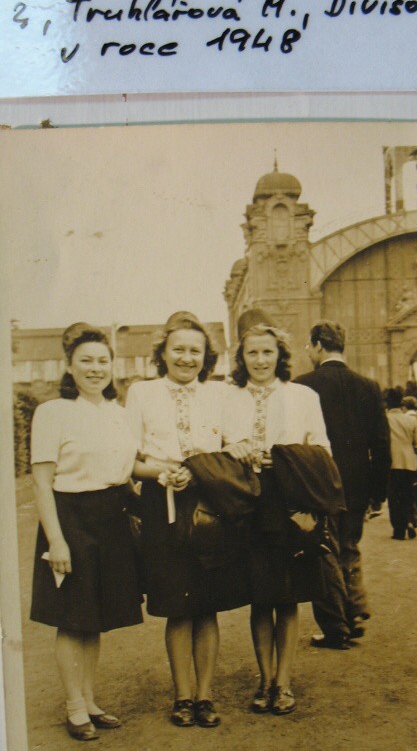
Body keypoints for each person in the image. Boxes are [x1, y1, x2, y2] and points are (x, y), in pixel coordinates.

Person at [125, 312, 249, 730]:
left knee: (207, 605)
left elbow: (236, 449)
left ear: (205, 356)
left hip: (209, 504)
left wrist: (200, 470)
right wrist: (164, 471)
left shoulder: (220, 394)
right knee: (178, 607)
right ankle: (182, 696)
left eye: (195, 350)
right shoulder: (141, 393)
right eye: (178, 349)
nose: (186, 357)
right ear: (162, 352)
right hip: (161, 503)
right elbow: (130, 459)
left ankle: (205, 696)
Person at [222, 309, 342, 715]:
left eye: (267, 352)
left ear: (280, 354)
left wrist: (286, 458)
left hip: (288, 502)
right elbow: (216, 443)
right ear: (242, 357)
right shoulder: (228, 398)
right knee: (260, 597)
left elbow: (322, 451)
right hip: (247, 502)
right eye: (252, 353)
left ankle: (284, 682)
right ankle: (265, 679)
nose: (260, 360)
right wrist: (233, 449)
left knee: (288, 596)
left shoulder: (303, 397)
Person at [30, 323, 143, 742]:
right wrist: (57, 540)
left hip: (111, 518)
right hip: (70, 518)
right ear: (70, 366)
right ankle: (74, 705)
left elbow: (128, 471)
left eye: (102, 361)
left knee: (95, 619)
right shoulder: (52, 412)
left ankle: (90, 700)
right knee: (72, 619)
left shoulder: (119, 413)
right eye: (86, 361)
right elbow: (42, 482)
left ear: (112, 365)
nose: (96, 368)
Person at [295, 320, 391, 647]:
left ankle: (335, 626)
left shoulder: (302, 386)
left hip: (319, 481)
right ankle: (356, 609)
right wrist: (378, 493)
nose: (308, 352)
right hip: (358, 484)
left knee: (322, 551)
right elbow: (381, 445)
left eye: (309, 346)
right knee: (349, 545)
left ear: (319, 345)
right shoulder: (368, 386)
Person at [385, 388, 417, 540]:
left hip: (392, 463)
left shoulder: (384, 419)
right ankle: (410, 520)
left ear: (387, 403)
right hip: (410, 463)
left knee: (394, 497)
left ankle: (399, 530)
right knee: (408, 495)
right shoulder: (411, 420)